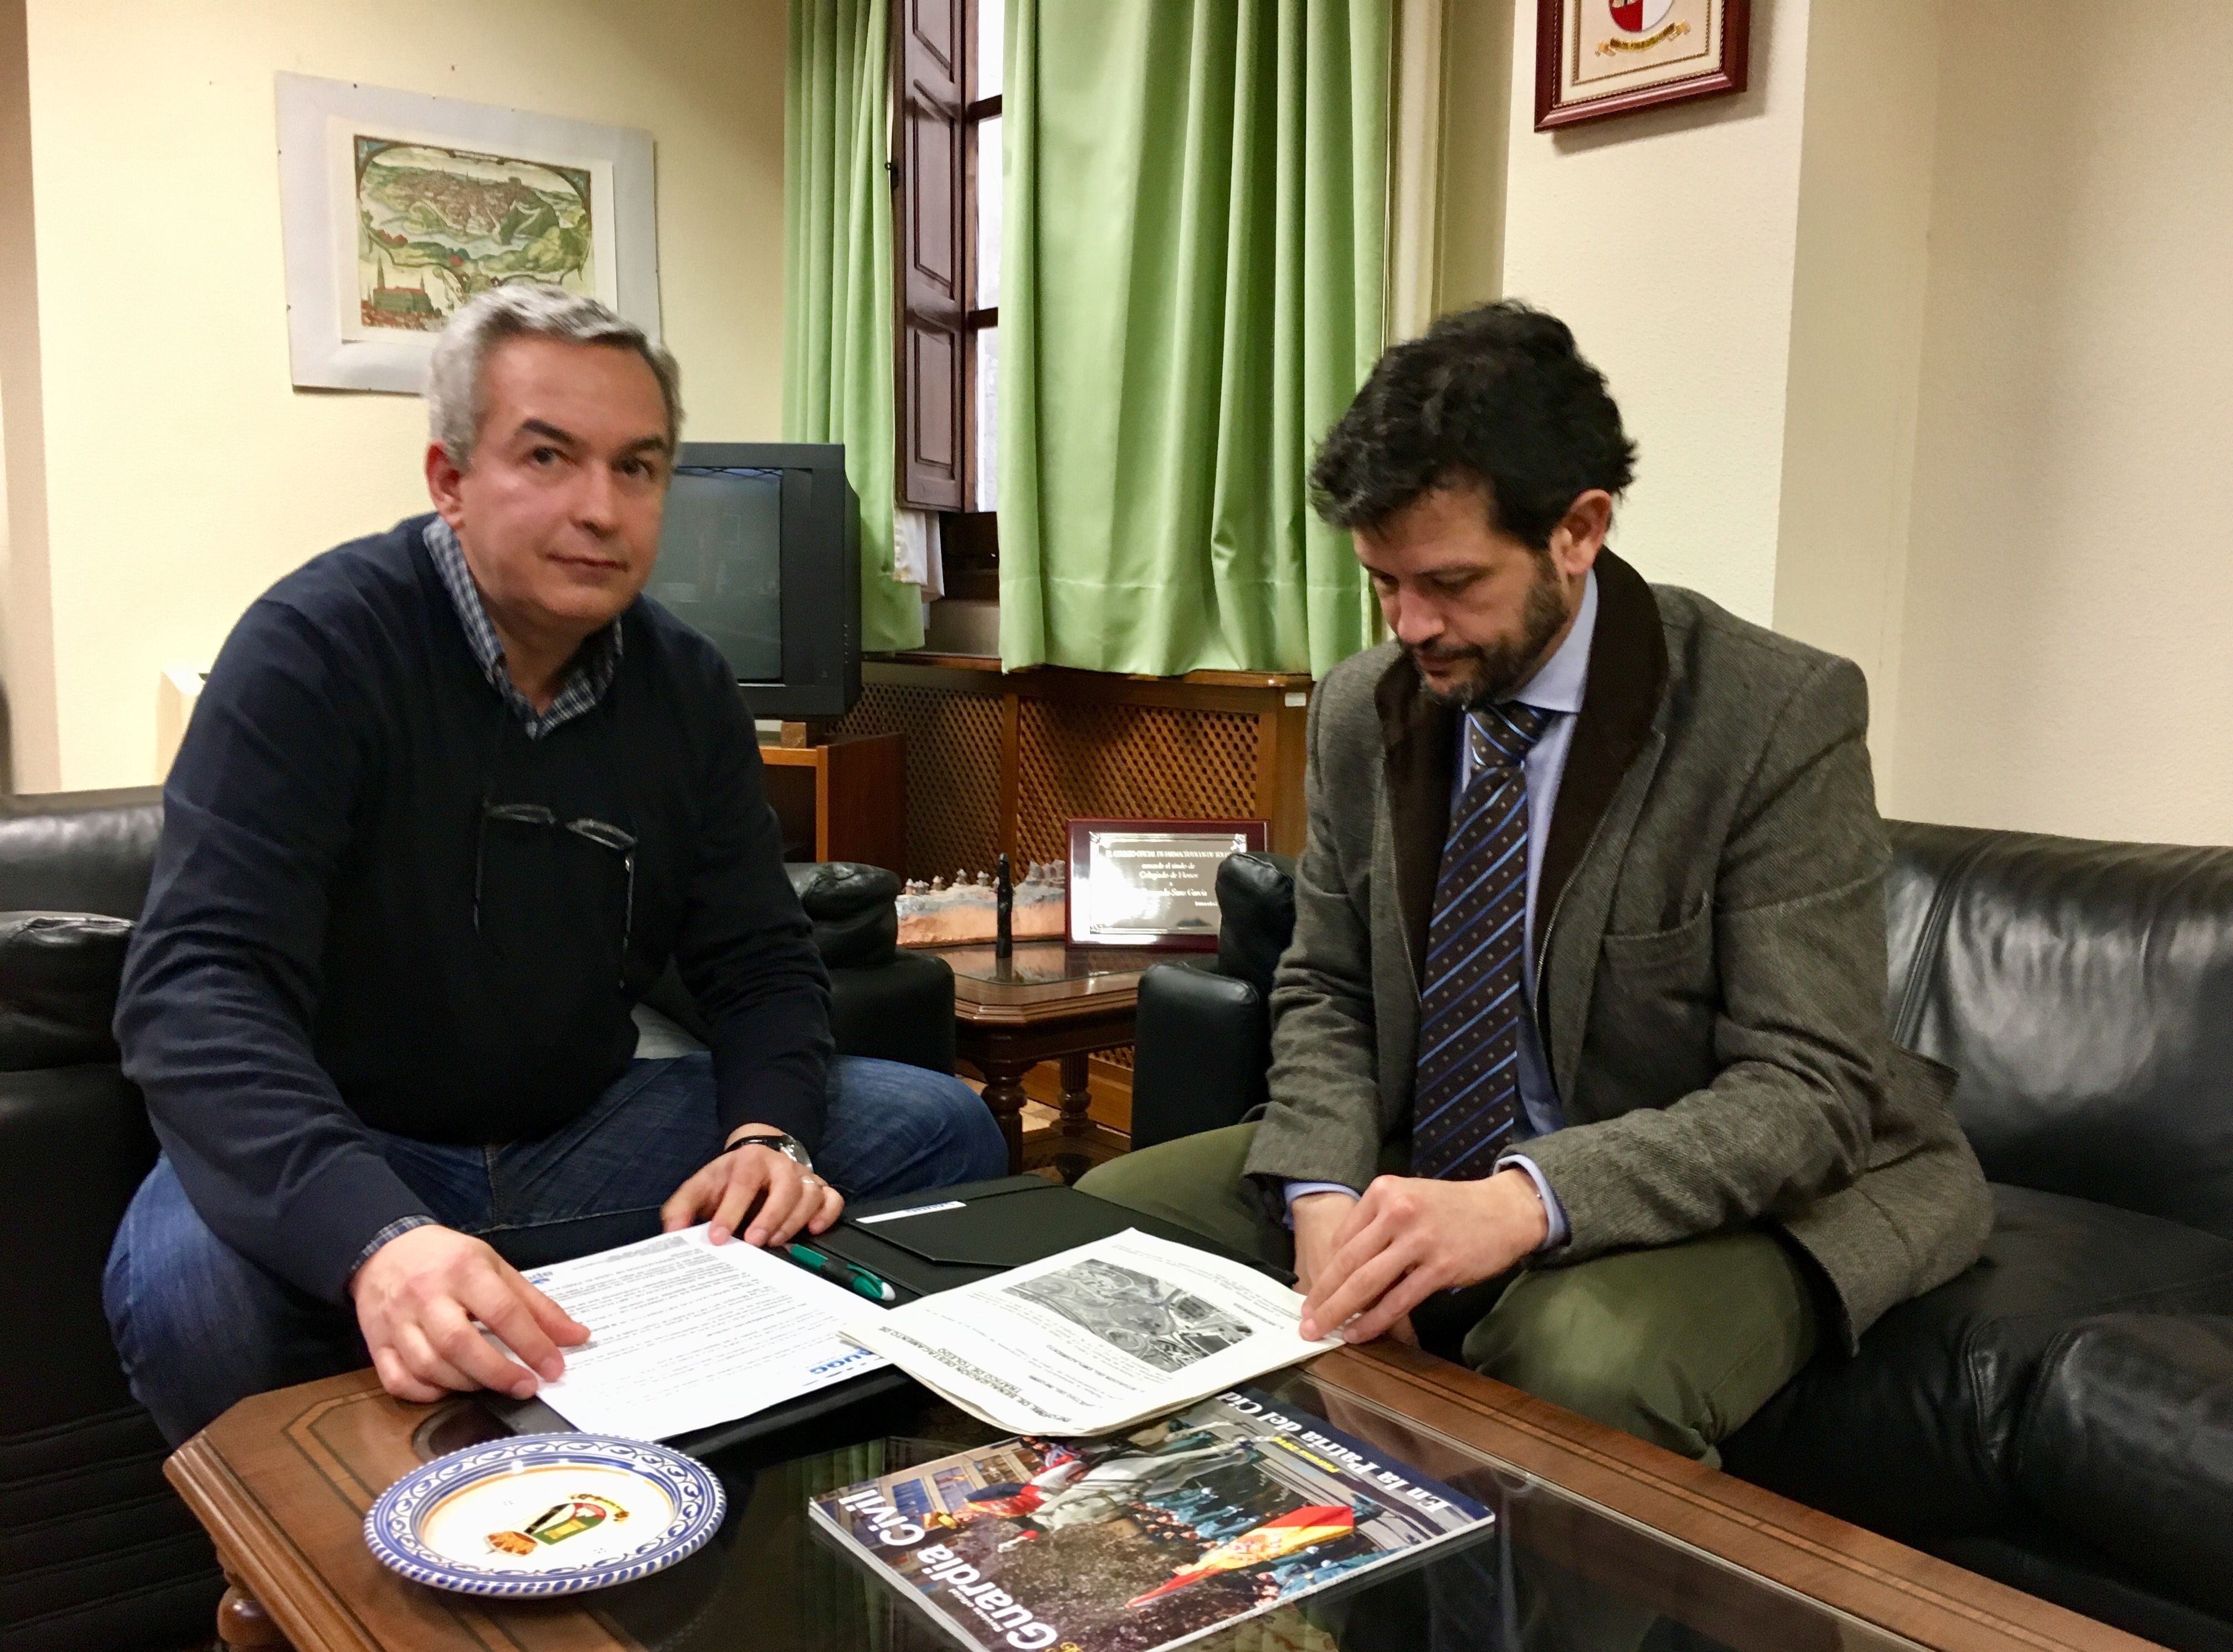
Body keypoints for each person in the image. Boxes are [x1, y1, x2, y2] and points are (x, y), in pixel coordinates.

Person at [1080, 302, 1992, 1466]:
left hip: (1748, 1177)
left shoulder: (1772, 716)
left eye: (1450, 582)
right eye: (1381, 583)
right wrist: (1319, 1197)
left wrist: (1520, 1201)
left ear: (1580, 529)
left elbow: (1807, 1090)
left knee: (1577, 1368)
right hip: (1432, 1152)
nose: (1410, 625)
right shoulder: (1368, 709)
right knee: (1105, 1236)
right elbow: (1329, 988)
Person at [104, 285, 1007, 1444]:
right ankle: (326, 1596)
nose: (601, 509)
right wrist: (375, 1240)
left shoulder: (684, 689)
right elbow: (196, 991)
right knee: (183, 1284)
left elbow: (764, 963)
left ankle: (745, 1484)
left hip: (582, 1135)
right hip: (353, 1136)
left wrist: (766, 1136)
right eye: (548, 456)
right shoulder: (313, 651)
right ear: (448, 480)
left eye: (638, 468)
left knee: (943, 1130)